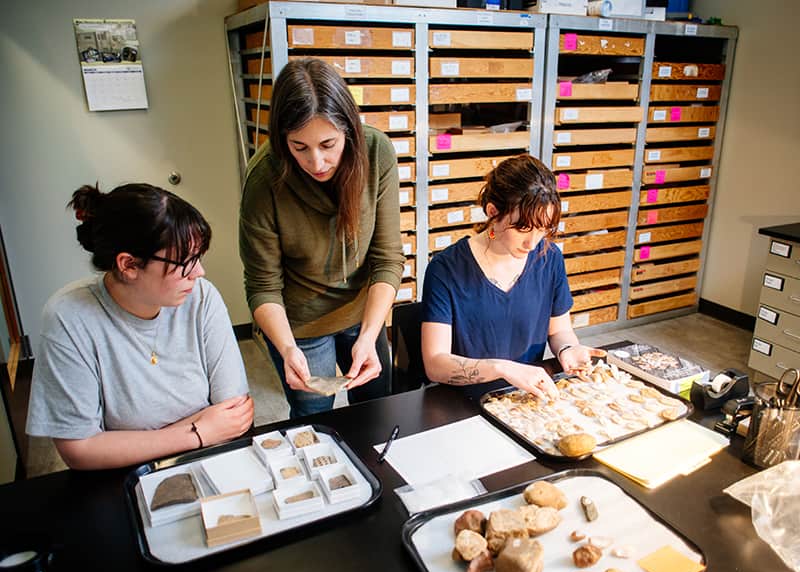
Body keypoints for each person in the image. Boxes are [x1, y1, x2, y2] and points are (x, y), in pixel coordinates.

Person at [26, 183, 254, 470]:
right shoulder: (68, 317)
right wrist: (199, 432)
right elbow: (79, 449)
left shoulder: (201, 296)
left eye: (199, 258)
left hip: (208, 461)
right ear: (129, 265)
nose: (199, 272)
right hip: (124, 475)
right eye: (186, 262)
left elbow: (234, 415)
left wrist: (124, 443)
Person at [239, 58, 404, 418]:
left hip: (364, 313)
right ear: (283, 140)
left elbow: (388, 259)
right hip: (300, 324)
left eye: (328, 144)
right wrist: (285, 348)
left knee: (377, 412)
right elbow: (263, 285)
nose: (317, 162)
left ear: (349, 129)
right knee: (314, 421)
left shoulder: (376, 152)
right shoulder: (264, 179)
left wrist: (369, 333)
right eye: (300, 147)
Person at [421, 154, 606, 399]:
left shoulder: (549, 259)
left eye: (543, 229)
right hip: (463, 403)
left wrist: (567, 349)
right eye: (522, 228)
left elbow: (559, 330)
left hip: (525, 398)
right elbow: (435, 364)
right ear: (493, 212)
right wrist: (503, 369)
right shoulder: (446, 269)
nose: (532, 243)